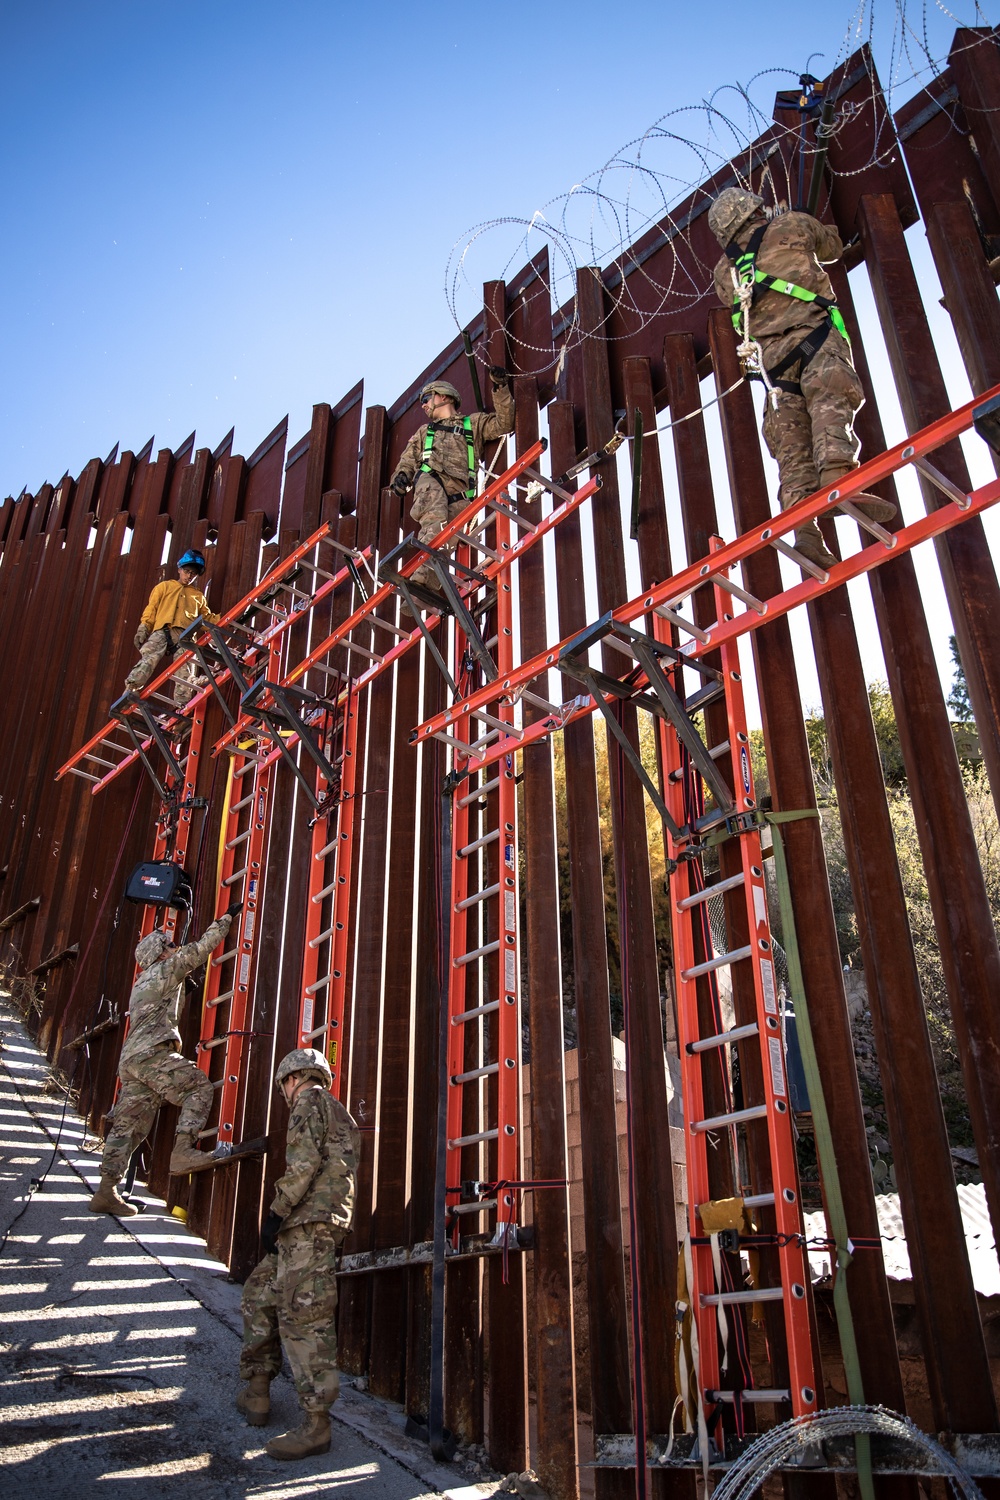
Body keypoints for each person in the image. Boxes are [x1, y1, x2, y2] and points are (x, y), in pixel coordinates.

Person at [709, 188, 897, 569]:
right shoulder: (790, 226)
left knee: (791, 444)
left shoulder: (723, 273)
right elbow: (832, 246)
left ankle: (805, 532)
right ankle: (837, 475)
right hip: (813, 338)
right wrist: (805, 218)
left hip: (772, 367)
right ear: (754, 209)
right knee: (831, 401)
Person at [236, 1047, 360, 1462]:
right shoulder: (338, 1111)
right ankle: (257, 1391)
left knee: (303, 1318)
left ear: (292, 1079)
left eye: (284, 1086)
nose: (286, 1093)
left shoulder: (308, 1101)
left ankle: (316, 1426)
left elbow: (303, 1165)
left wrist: (275, 1212)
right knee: (260, 1291)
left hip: (308, 1225)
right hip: (307, 1227)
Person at [88, 902, 242, 1217]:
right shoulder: (166, 968)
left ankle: (106, 1191)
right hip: (151, 1053)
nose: (175, 947)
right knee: (198, 1087)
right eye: (170, 945)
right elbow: (200, 950)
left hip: (131, 1060)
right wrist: (226, 919)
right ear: (160, 953)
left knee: (130, 1126)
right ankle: (183, 1150)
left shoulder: (143, 981)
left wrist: (184, 992)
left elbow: (159, 1010)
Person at [388, 370, 515, 589]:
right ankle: (418, 579)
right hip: (430, 480)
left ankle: (428, 586)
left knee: (446, 540)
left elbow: (504, 424)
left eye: (427, 399)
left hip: (460, 494)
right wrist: (400, 478)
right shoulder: (424, 432)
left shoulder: (472, 424)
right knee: (434, 522)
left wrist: (500, 387)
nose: (423, 405)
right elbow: (407, 461)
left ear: (444, 396)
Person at [126, 548, 221, 710]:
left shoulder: (197, 596)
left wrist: (223, 620)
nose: (189, 576)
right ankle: (131, 689)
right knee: (149, 658)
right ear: (179, 569)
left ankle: (182, 704)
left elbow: (207, 619)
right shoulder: (164, 587)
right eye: (187, 571)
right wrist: (144, 628)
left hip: (186, 637)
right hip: (163, 631)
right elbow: (152, 609)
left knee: (185, 669)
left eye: (193, 573)